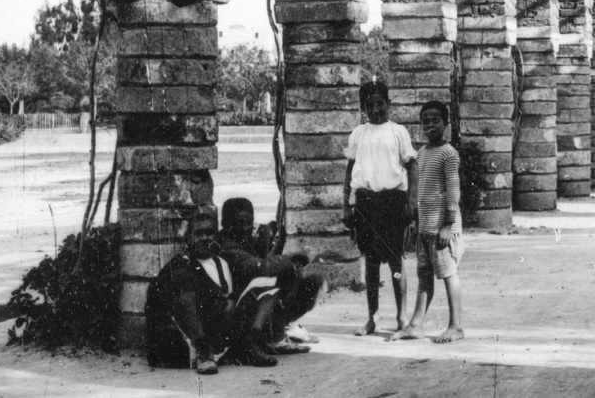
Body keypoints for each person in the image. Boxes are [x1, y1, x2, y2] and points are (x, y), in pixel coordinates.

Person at [342, 77, 418, 336]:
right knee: (371, 263)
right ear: (363, 108)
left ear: (388, 104)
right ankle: (372, 317)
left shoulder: (398, 132)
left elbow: (412, 167)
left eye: (380, 104)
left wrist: (411, 203)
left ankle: (401, 316)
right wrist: (346, 206)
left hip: (392, 202)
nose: (375, 110)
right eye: (369, 105)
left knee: (396, 263)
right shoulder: (358, 134)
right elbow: (349, 171)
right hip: (365, 203)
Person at [143, 233, 279, 374]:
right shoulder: (180, 263)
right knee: (181, 279)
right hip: (194, 331)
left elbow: (237, 289)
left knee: (267, 283)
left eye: (209, 232)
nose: (204, 238)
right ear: (188, 238)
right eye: (198, 233)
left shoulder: (223, 261)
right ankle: (204, 352)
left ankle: (252, 343)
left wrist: (232, 299)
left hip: (223, 327)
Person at [394, 99, 464, 344]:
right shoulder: (421, 153)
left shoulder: (449, 153)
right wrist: (415, 221)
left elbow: (453, 190)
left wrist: (448, 224)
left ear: (446, 123)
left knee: (448, 274)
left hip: (443, 228)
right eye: (426, 121)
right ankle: (415, 325)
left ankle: (455, 326)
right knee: (424, 277)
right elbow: (420, 190)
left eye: (436, 120)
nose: (430, 125)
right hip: (425, 227)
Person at [217, 196, 322, 353]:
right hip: (235, 310)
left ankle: (278, 330)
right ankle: (274, 338)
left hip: (255, 303)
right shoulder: (225, 243)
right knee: (277, 277)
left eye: (248, 223)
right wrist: (288, 260)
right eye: (239, 223)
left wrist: (274, 242)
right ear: (226, 224)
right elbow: (258, 267)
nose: (246, 228)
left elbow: (267, 260)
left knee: (311, 282)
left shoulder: (248, 239)